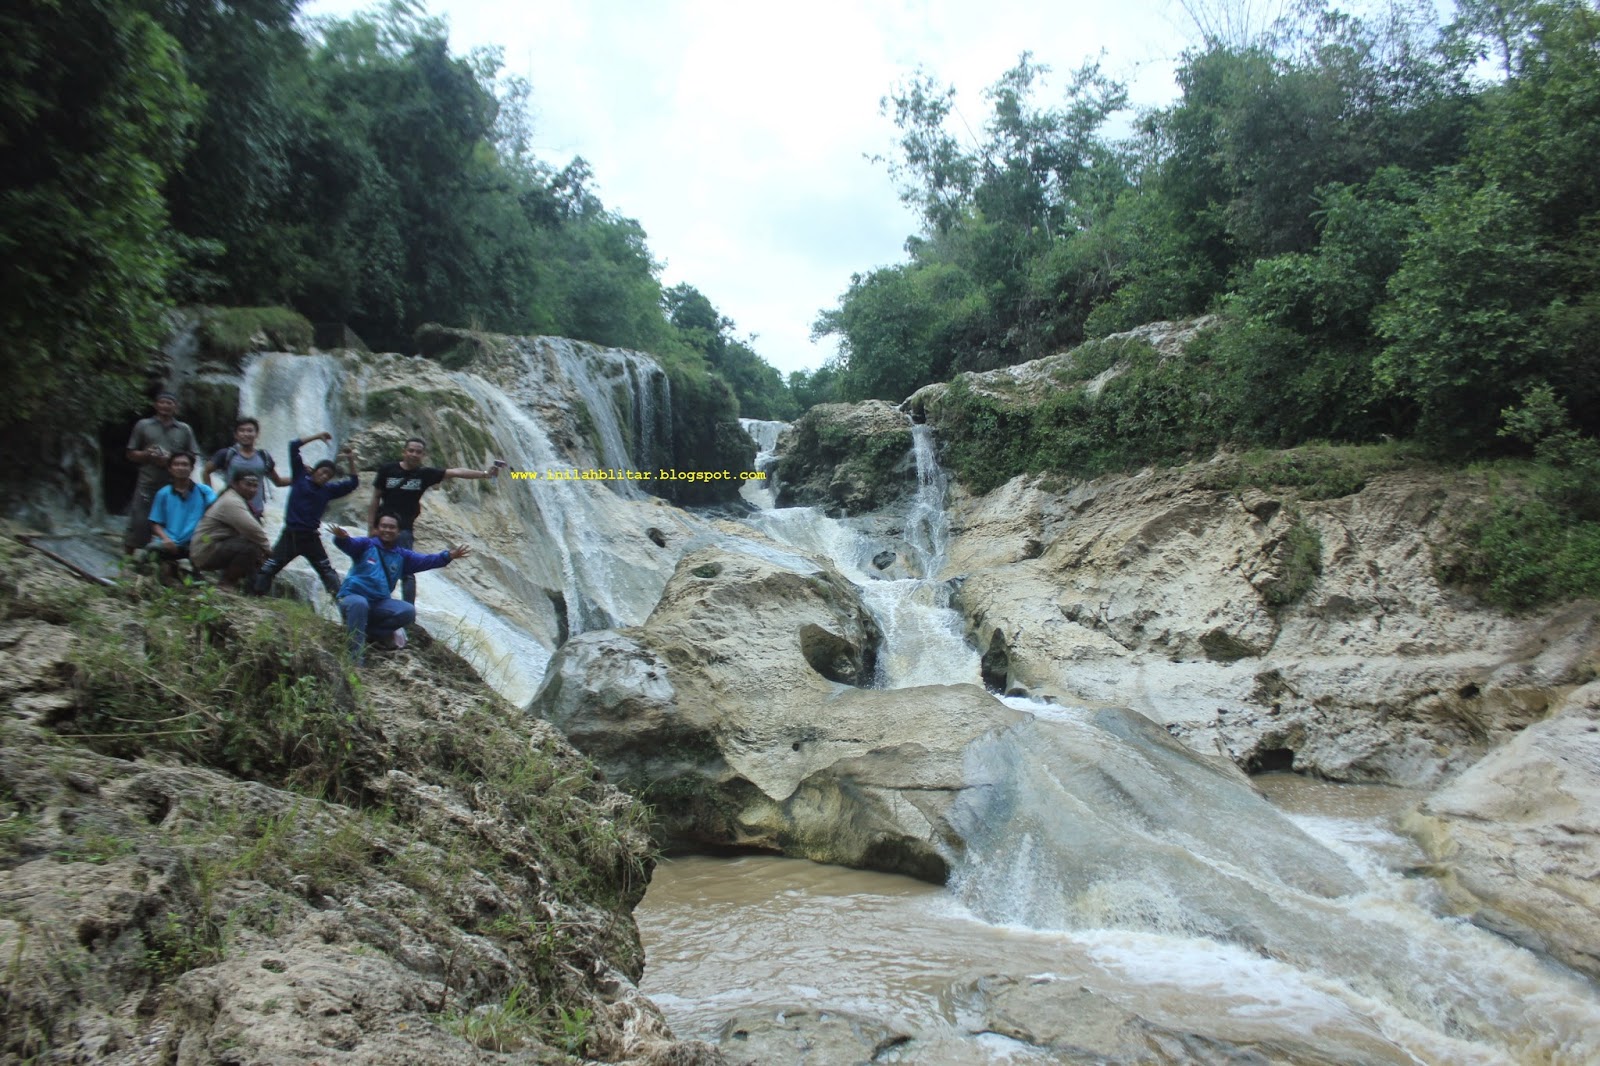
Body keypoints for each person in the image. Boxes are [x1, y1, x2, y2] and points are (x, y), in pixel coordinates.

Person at [368, 437, 500, 604]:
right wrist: (371, 527)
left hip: (404, 529)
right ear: (404, 452)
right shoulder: (387, 470)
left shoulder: (424, 474)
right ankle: (374, 601)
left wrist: (485, 474)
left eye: (418, 452)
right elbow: (375, 499)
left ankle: (408, 612)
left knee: (406, 570)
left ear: (423, 455)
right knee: (373, 564)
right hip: (383, 528)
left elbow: (455, 472)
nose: (414, 454)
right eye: (411, 450)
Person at [329, 513, 471, 664]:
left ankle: (369, 632)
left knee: (407, 611)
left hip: (378, 603)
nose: (387, 530)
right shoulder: (365, 545)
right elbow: (348, 544)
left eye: (392, 527)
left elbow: (426, 560)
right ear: (376, 529)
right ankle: (355, 660)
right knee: (359, 604)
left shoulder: (402, 556)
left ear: (398, 532)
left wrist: (448, 556)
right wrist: (341, 538)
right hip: (352, 598)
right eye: (384, 526)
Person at [253, 432, 360, 596]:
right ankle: (255, 596)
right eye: (322, 472)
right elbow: (293, 446)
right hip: (290, 535)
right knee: (269, 568)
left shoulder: (329, 490)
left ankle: (344, 610)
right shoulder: (300, 477)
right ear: (315, 470)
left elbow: (353, 483)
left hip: (311, 538)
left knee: (327, 573)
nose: (324, 476)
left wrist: (351, 459)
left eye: (328, 476)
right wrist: (317, 437)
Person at [124, 392, 201, 553]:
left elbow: (193, 456)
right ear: (156, 405)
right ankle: (128, 559)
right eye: (162, 402)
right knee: (139, 520)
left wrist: (172, 460)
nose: (166, 406)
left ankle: (166, 562)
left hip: (175, 485)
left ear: (176, 407)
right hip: (148, 482)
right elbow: (130, 454)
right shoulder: (143, 425)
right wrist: (147, 454)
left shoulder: (184, 429)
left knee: (172, 522)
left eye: (170, 403)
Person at [190, 470, 271, 590]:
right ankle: (226, 584)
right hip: (205, 550)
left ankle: (246, 586)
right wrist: (268, 550)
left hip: (211, 545)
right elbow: (252, 530)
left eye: (255, 486)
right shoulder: (231, 501)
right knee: (251, 547)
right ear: (235, 484)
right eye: (248, 485)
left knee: (255, 549)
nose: (252, 489)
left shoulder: (234, 498)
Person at [145, 452, 217, 583]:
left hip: (194, 543)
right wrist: (166, 539)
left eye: (185, 465)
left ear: (191, 468)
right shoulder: (163, 494)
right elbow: (155, 523)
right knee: (151, 550)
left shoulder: (204, 491)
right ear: (170, 469)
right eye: (176, 464)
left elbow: (218, 511)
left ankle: (190, 572)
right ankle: (171, 569)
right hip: (170, 543)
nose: (181, 468)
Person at [203, 417, 290, 520]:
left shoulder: (264, 457)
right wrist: (211, 497)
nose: (246, 434)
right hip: (230, 511)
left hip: (255, 512)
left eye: (250, 431)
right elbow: (206, 472)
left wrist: (302, 476)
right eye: (242, 431)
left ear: (256, 434)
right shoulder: (227, 454)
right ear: (236, 435)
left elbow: (278, 482)